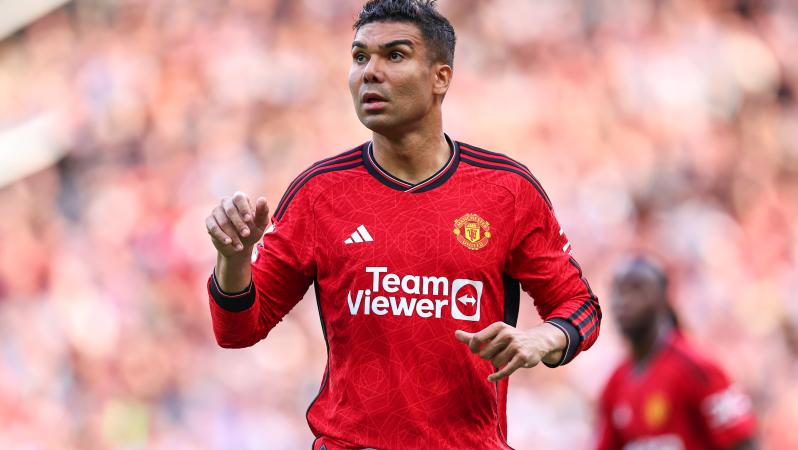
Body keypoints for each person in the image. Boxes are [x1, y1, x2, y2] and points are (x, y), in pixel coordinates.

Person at [204, 1, 601, 448]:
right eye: (359, 57)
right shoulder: (320, 193)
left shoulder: (506, 191)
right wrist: (232, 260)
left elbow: (580, 307)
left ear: (440, 78)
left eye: (394, 55)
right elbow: (237, 331)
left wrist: (543, 339)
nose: (369, 72)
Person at [596, 256, 758, 450]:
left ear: (664, 298)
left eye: (636, 289)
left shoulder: (698, 367)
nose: (623, 301)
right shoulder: (615, 384)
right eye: (617, 291)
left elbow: (743, 442)